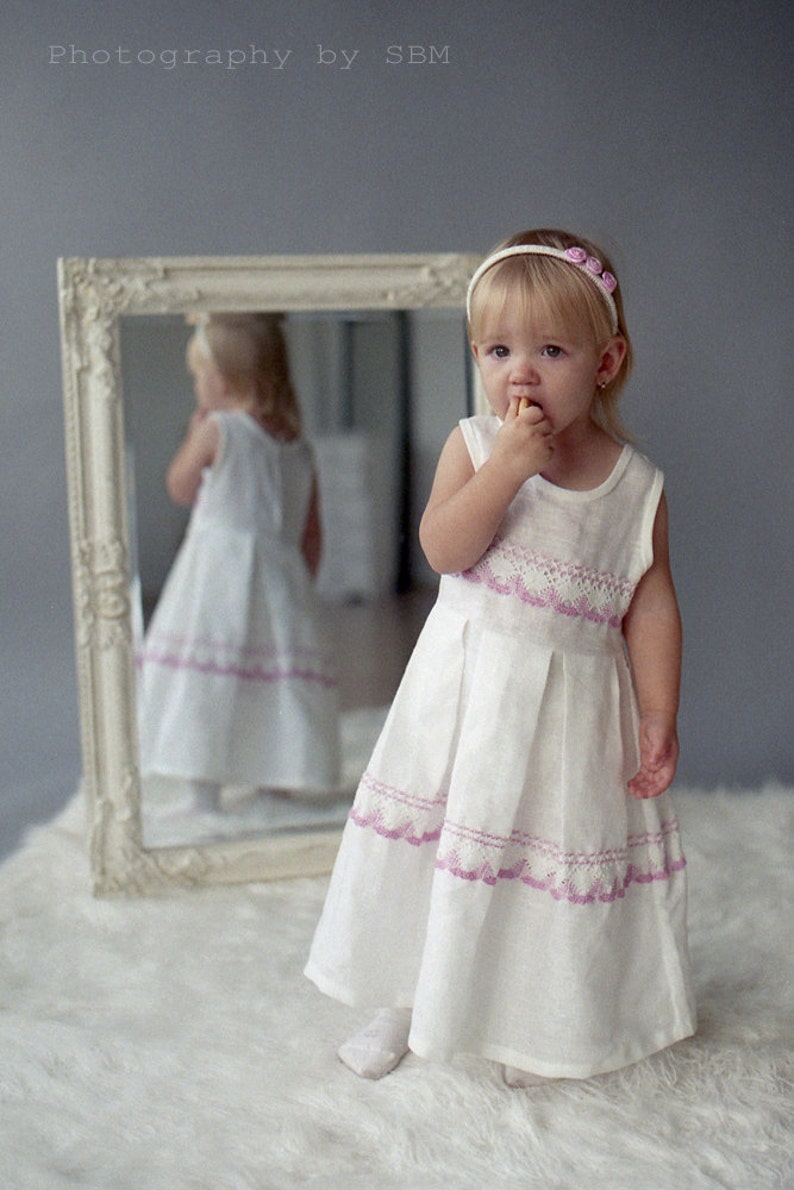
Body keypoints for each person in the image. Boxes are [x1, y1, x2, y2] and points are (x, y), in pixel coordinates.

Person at [305, 229, 696, 1086]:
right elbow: (444, 547)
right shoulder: (476, 446)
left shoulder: (636, 486)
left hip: (571, 722)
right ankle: (402, 1000)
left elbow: (651, 603)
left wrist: (659, 712)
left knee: (539, 864)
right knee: (436, 856)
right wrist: (508, 471)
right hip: (466, 706)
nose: (520, 370)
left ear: (605, 359)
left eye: (550, 349)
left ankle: (533, 1017)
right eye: (497, 349)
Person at [137, 313, 340, 811]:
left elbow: (179, 487)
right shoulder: (296, 444)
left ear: (221, 381)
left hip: (216, 583)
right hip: (280, 582)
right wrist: (299, 587)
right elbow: (312, 531)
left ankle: (201, 790)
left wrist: (193, 436)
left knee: (205, 680)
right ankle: (275, 784)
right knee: (274, 688)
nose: (197, 386)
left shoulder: (218, 431)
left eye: (198, 376)